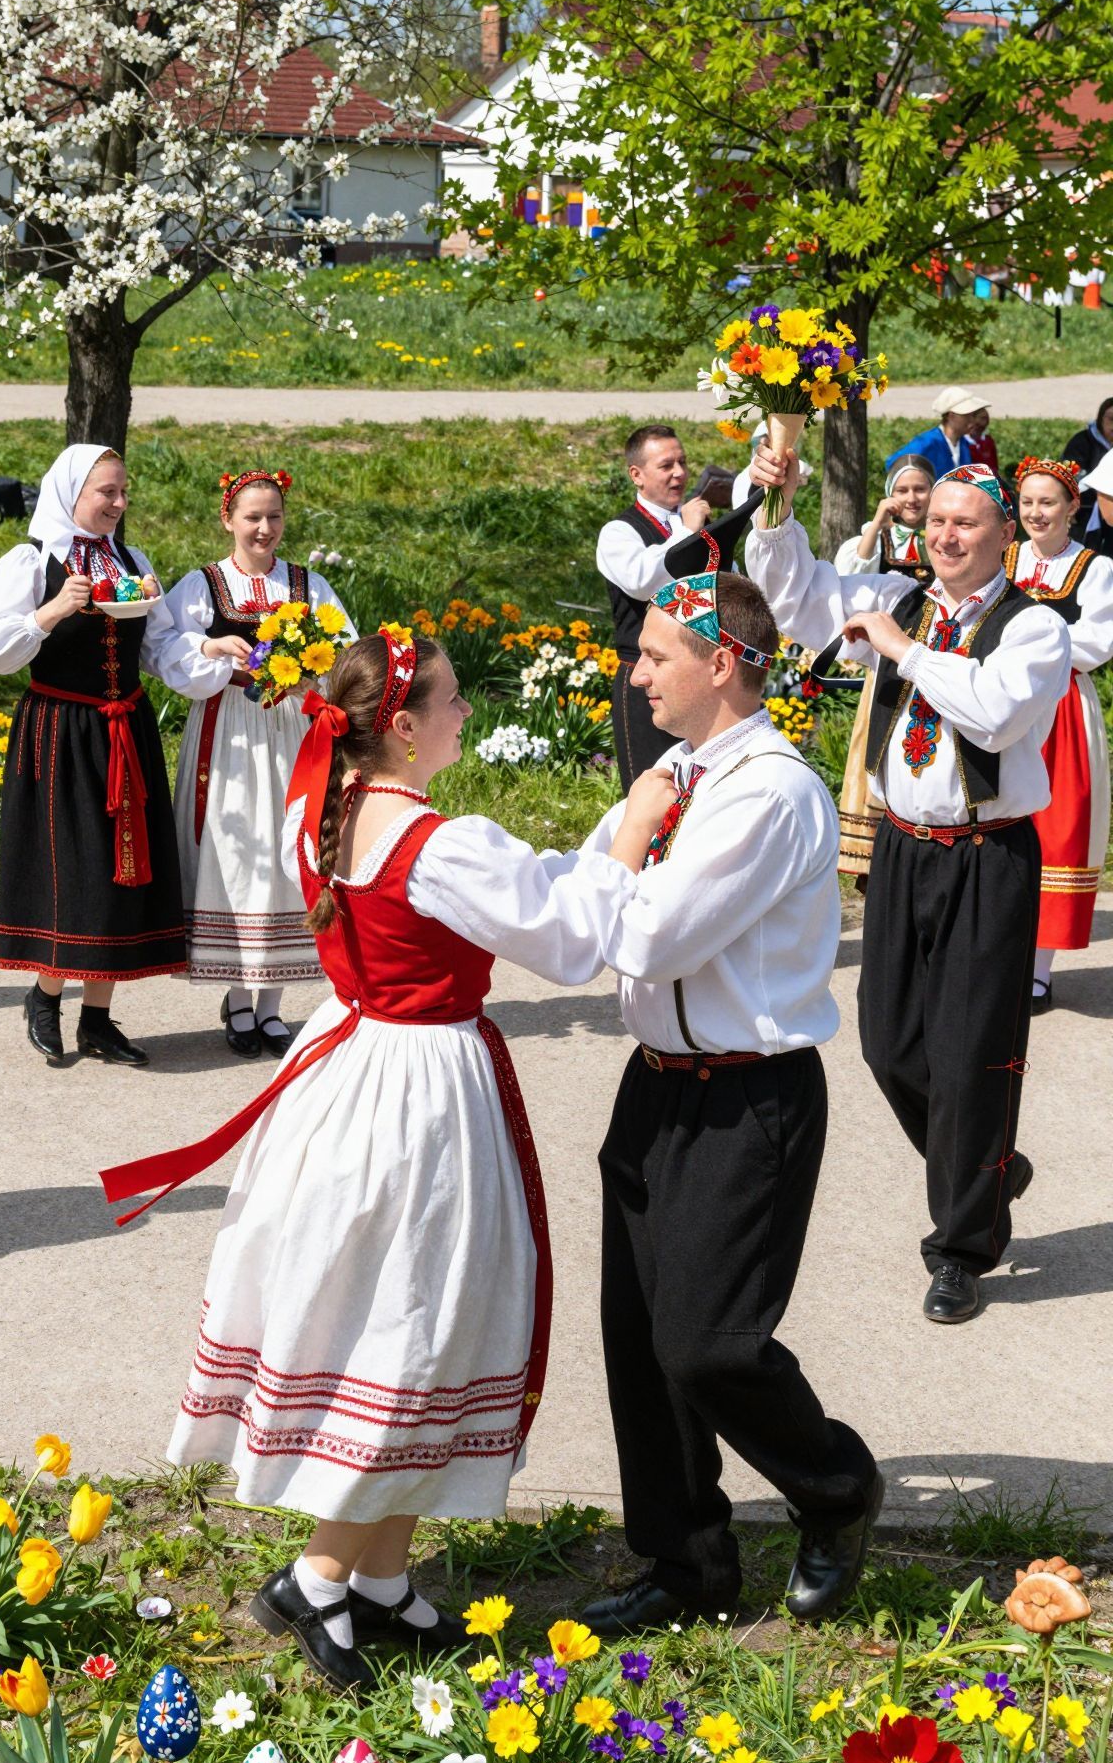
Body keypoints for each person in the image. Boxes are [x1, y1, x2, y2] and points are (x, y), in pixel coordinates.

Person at [100, 627, 638, 1689]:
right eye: (448, 703)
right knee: (412, 1330)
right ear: (402, 725)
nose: (464, 716)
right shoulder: (437, 841)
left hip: (354, 1074)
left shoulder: (329, 804)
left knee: (418, 1325)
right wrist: (635, 835)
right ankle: (320, 1572)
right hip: (418, 1099)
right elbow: (571, 936)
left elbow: (523, 897)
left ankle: (381, 1576)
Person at [575, 562, 881, 1634]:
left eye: (655, 652)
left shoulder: (765, 792)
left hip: (749, 1096)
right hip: (656, 1086)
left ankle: (836, 1485)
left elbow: (646, 926)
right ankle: (686, 1559)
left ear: (720, 663)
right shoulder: (680, 772)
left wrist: (619, 850)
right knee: (638, 1336)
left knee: (710, 1341)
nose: (635, 669)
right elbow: (584, 897)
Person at [746, 451, 1071, 1326]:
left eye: (965, 523)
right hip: (902, 847)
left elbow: (994, 711)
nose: (944, 536)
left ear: (1004, 534)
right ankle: (987, 1168)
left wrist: (901, 648)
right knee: (888, 1044)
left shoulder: (1034, 627)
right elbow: (795, 596)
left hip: (986, 854)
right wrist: (776, 499)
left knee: (972, 1056)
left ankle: (961, 1246)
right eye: (935, 523)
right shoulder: (895, 597)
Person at [0, 444, 230, 1066]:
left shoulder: (131, 561)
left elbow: (161, 647)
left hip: (126, 729)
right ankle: (46, 994)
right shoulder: (31, 562)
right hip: (60, 730)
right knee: (72, 870)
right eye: (106, 492)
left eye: (122, 492)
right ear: (71, 495)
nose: (117, 503)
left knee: (123, 868)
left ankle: (98, 1019)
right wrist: (52, 612)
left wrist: (208, 657)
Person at [166, 466, 356, 1058]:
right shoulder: (203, 586)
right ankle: (239, 1001)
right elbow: (162, 645)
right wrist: (210, 646)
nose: (265, 528)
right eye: (252, 517)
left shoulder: (307, 584)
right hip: (228, 734)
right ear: (228, 519)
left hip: (292, 732)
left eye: (274, 516)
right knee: (234, 850)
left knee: (285, 852)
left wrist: (309, 674)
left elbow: (346, 650)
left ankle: (271, 1006)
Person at [1006, 457, 1113, 1011]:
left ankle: (1039, 970)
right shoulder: (1003, 558)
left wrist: (1034, 643)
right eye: (1027, 502)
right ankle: (997, 955)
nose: (1035, 513)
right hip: (998, 699)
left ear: (1074, 506)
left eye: (1048, 502)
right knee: (999, 823)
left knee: (1057, 826)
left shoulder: (1094, 568)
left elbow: (1098, 640)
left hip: (1062, 705)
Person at [833, 457, 935, 879]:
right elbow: (848, 576)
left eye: (921, 489)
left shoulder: (947, 534)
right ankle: (876, 859)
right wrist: (877, 523)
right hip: (889, 666)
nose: (912, 498)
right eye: (903, 490)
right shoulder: (875, 541)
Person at [596, 425, 710, 788]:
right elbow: (644, 581)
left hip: (699, 674)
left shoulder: (693, 524)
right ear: (637, 475)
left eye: (682, 462)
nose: (679, 473)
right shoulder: (618, 532)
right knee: (653, 788)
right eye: (666, 465)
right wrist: (687, 534)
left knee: (700, 787)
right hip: (647, 679)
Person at [885, 387, 990, 478]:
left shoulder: (963, 445)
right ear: (951, 416)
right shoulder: (928, 442)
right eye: (967, 415)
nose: (972, 421)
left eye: (973, 415)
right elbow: (893, 463)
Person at [1060, 396, 1113, 559]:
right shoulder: (1082, 441)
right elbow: (1069, 474)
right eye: (1111, 419)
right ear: (1100, 418)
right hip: (1084, 509)